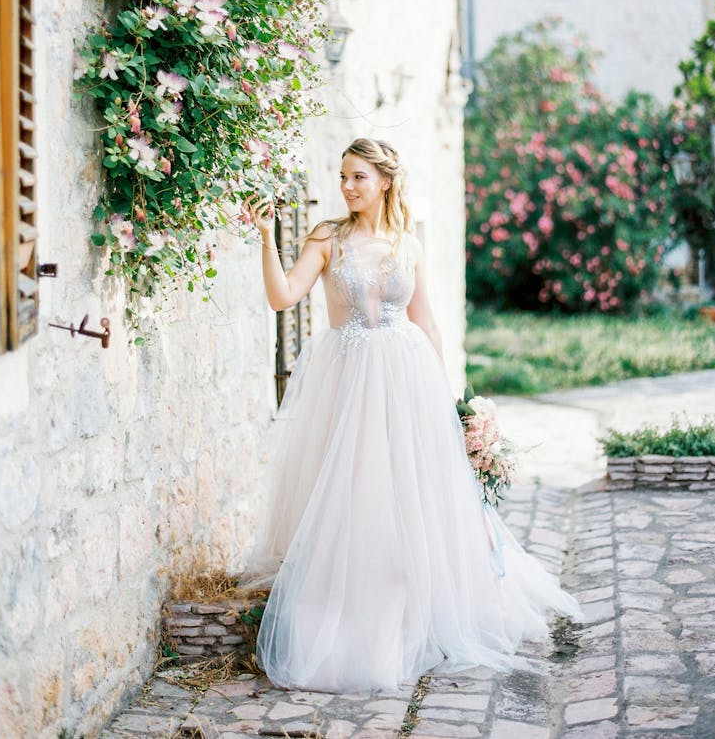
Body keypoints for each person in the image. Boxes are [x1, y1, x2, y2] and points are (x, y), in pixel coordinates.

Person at [242, 137, 581, 693]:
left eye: (358, 177)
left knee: (410, 489)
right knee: (358, 490)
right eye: (344, 176)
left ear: (385, 181)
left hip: (407, 380)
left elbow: (426, 323)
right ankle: (360, 606)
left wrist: (452, 404)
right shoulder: (328, 238)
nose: (348, 186)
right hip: (350, 382)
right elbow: (283, 298)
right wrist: (263, 239)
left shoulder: (407, 243)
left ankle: (418, 602)